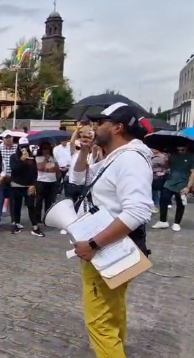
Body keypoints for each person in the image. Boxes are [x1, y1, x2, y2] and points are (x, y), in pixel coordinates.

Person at [70, 103, 152, 358]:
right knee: (113, 310)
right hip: (111, 247)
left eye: (101, 122)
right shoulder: (114, 157)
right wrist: (84, 152)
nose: (94, 127)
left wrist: (93, 244)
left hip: (109, 248)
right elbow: (77, 179)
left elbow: (138, 212)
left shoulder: (129, 159)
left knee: (99, 322)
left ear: (118, 127)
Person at [153, 144, 194, 232]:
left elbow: (193, 173)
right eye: (178, 150)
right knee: (163, 199)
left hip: (183, 183)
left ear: (187, 147)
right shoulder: (173, 155)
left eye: (182, 150)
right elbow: (167, 165)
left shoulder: (191, 156)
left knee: (180, 203)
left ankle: (176, 223)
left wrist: (188, 187)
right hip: (170, 181)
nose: (180, 151)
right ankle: (163, 221)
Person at [9, 137, 43, 236]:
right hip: (16, 185)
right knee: (16, 205)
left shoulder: (32, 158)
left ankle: (35, 227)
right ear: (18, 147)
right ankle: (16, 224)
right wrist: (21, 160)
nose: (24, 149)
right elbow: (14, 169)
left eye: (25, 146)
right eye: (22, 147)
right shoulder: (13, 157)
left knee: (31, 205)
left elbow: (35, 172)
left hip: (28, 185)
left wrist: (33, 184)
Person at [35, 142, 60, 224]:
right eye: (44, 149)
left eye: (47, 149)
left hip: (52, 181)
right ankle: (37, 218)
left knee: (49, 201)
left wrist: (49, 169)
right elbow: (40, 168)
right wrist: (45, 160)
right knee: (39, 201)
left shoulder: (53, 157)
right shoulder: (38, 158)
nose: (46, 151)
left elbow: (56, 168)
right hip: (41, 181)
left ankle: (47, 218)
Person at [149, 148, 168, 214]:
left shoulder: (162, 157)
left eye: (155, 148)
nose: (153, 150)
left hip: (156, 176)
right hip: (150, 175)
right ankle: (152, 205)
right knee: (151, 191)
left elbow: (168, 167)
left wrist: (163, 173)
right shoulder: (151, 155)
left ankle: (156, 206)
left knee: (155, 192)